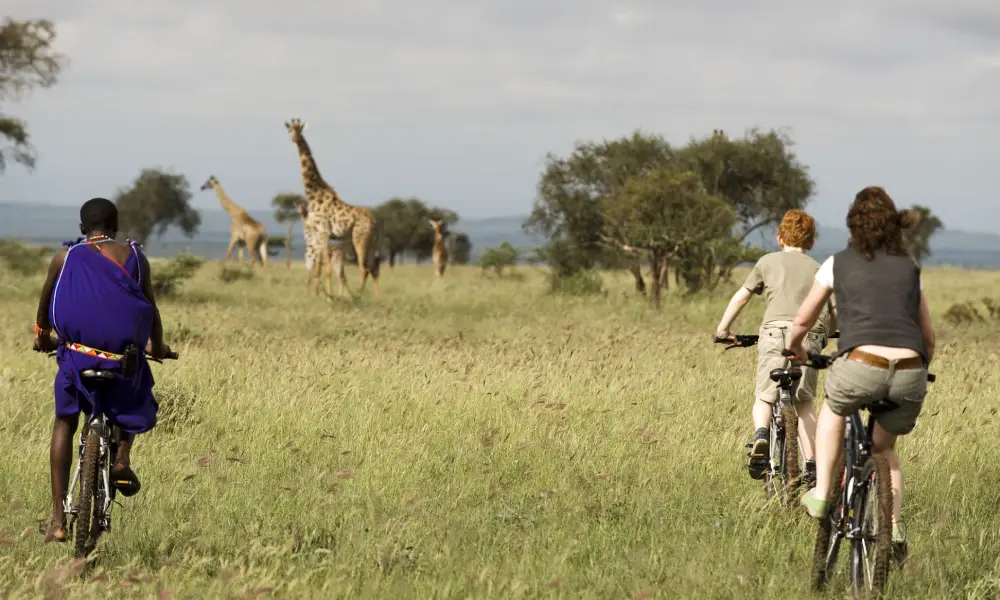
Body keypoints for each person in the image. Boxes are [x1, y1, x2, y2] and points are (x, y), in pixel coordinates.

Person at [786, 186, 934, 559]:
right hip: (910, 372)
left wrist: (797, 350)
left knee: (835, 411)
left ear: (854, 224)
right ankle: (894, 530)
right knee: (884, 450)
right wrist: (918, 370)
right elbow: (928, 337)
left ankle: (821, 494)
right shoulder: (910, 268)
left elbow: (803, 321)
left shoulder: (837, 263)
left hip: (860, 366)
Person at [32, 198, 176, 543]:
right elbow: (150, 308)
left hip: (78, 358)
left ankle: (56, 519)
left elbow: (44, 307)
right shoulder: (137, 257)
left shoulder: (65, 258)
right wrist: (157, 346)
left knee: (65, 420)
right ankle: (122, 455)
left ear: (83, 229)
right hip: (122, 359)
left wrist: (42, 337)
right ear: (115, 226)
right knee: (137, 383)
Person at [714, 209, 834, 483]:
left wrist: (723, 330)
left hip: (774, 332)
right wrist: (827, 332)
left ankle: (760, 437)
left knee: (765, 396)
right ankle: (813, 465)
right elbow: (833, 309)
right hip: (811, 335)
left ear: (780, 238)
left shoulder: (766, 261)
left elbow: (741, 298)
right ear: (811, 241)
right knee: (804, 403)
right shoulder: (818, 268)